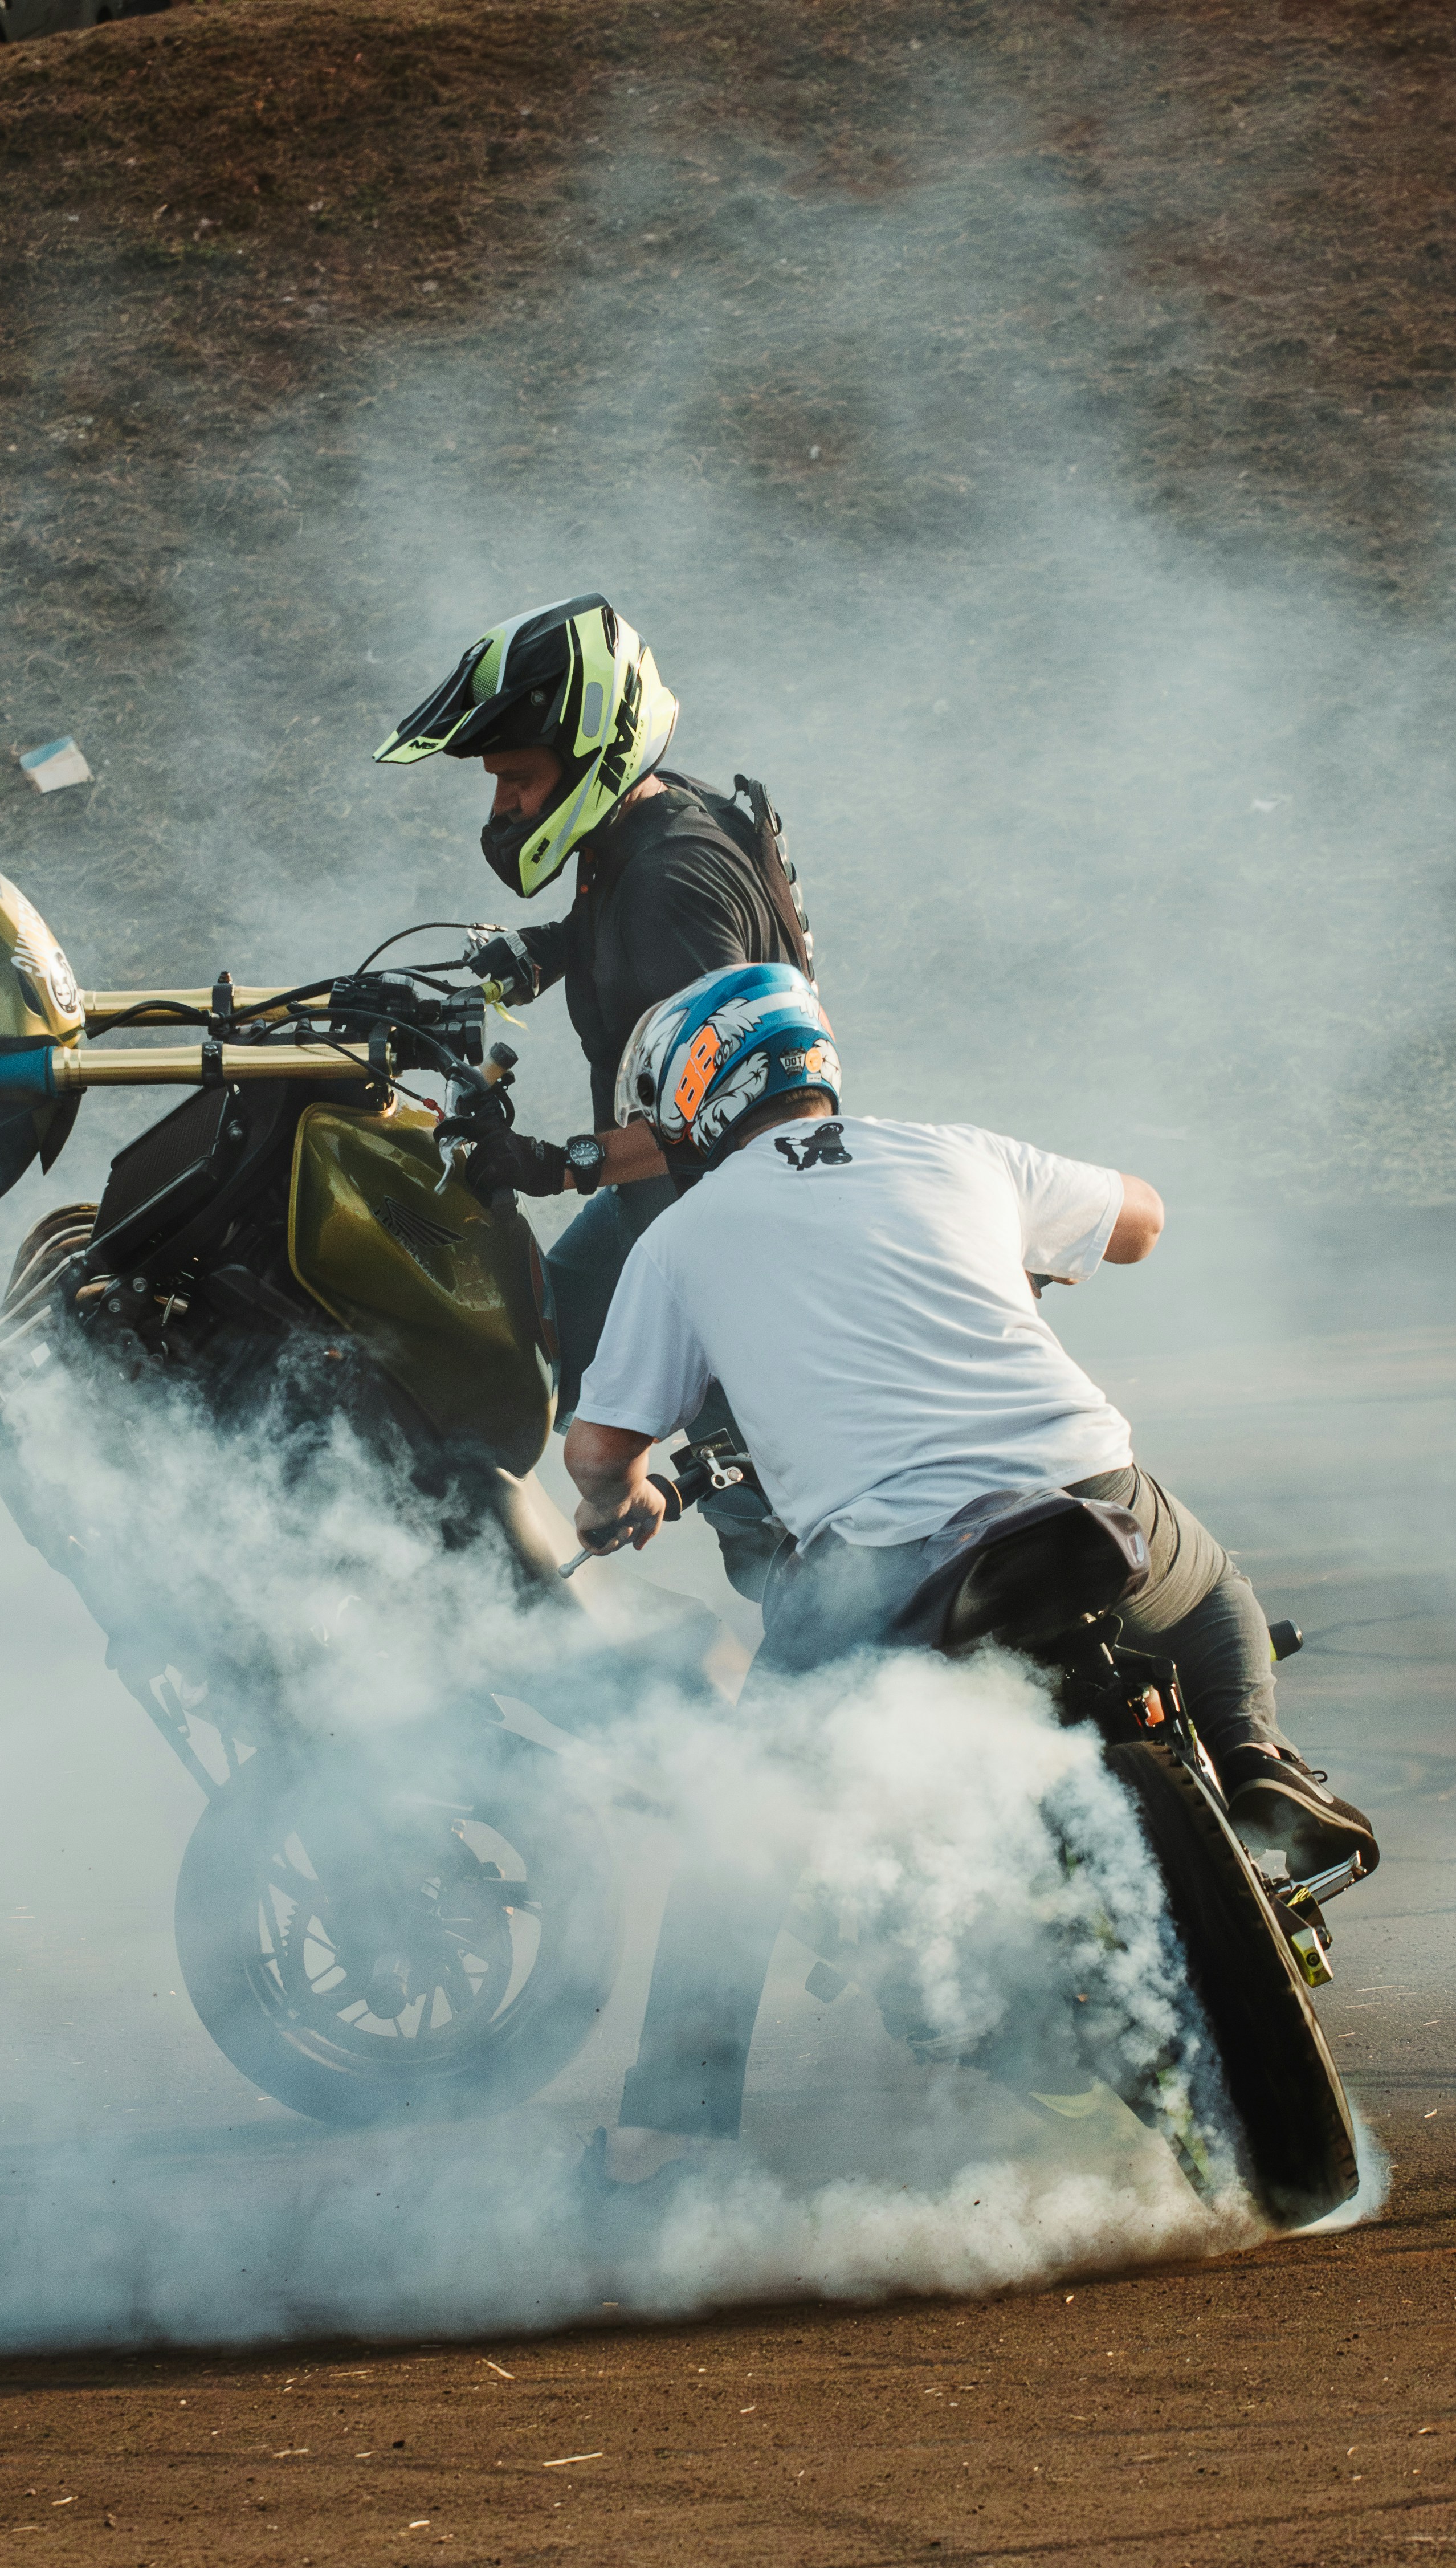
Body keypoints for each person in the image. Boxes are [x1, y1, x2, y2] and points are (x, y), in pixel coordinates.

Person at [561, 964, 1379, 2184]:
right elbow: (1142, 1219)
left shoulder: (681, 1238)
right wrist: (1018, 1257)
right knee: (1211, 1595)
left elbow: (597, 1446)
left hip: (884, 1576)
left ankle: (660, 2135)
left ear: (693, 1097)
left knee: (748, 1825)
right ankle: (1255, 1757)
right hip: (1085, 1499)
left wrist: (620, 1499)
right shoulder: (954, 1154)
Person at [374, 594, 811, 1590]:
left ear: (594, 755)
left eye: (519, 782)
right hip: (655, 1205)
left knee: (774, 1530)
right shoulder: (645, 826)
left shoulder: (673, 884)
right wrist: (542, 954)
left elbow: (732, 1110)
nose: (505, 809)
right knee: (532, 1337)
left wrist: (557, 1163)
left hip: (727, 1229)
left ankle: (845, 1700)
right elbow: (627, 929)